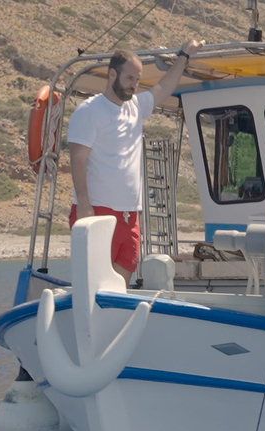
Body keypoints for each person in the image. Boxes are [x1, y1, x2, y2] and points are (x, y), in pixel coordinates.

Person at [68, 39, 205, 285]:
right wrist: (84, 206)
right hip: (98, 211)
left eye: (138, 80)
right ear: (112, 75)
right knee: (94, 285)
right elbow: (77, 159)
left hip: (130, 215)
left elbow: (164, 87)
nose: (135, 85)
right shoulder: (89, 111)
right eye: (130, 78)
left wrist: (184, 55)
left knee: (120, 286)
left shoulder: (135, 107)